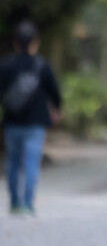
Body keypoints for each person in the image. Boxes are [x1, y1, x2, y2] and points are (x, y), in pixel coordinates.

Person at [0, 20, 62, 216]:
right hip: (36, 123)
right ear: (35, 41)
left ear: (16, 42)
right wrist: (57, 109)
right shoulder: (42, 66)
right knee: (31, 163)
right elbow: (55, 92)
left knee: (13, 162)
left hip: (12, 122)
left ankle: (15, 203)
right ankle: (28, 203)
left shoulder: (6, 65)